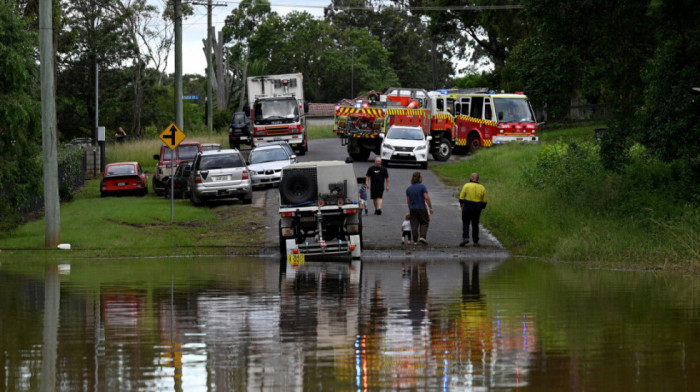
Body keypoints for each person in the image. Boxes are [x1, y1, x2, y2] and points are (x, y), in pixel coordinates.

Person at [459, 172, 487, 247]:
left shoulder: (467, 185)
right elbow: (484, 201)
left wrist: (462, 205)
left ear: (472, 178)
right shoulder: (482, 187)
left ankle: (466, 237)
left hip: (467, 206)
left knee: (466, 223)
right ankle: (475, 241)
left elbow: (461, 197)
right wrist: (482, 208)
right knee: (475, 224)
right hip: (477, 207)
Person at [405, 171, 433, 245]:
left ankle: (415, 241)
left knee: (414, 224)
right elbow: (426, 197)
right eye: (421, 177)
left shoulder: (409, 188)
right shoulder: (422, 187)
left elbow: (408, 200)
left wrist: (410, 207)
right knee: (424, 222)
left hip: (413, 209)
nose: (422, 178)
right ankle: (422, 237)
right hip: (422, 208)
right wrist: (430, 207)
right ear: (419, 178)